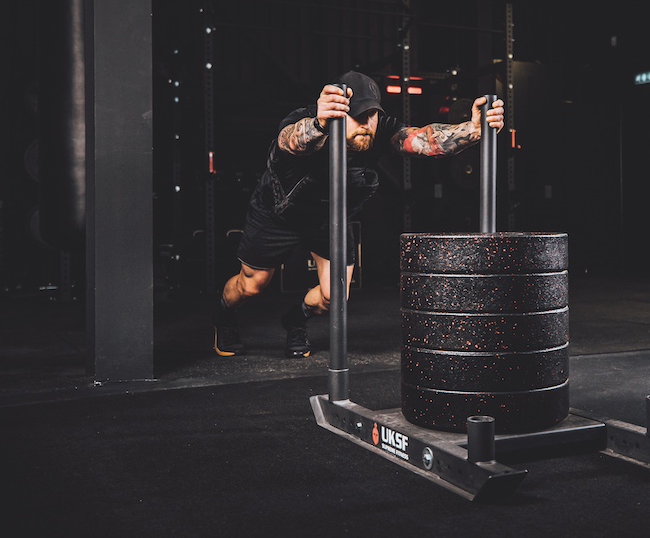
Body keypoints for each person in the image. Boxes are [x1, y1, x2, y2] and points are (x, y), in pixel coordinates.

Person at [213, 70, 505, 358]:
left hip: (330, 219)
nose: (366, 124)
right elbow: (291, 141)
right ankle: (224, 316)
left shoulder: (378, 130)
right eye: (357, 116)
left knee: (334, 296)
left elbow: (425, 140)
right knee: (251, 286)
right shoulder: (305, 119)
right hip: (278, 215)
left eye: (371, 114)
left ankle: (296, 319)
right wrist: (320, 123)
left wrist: (473, 129)